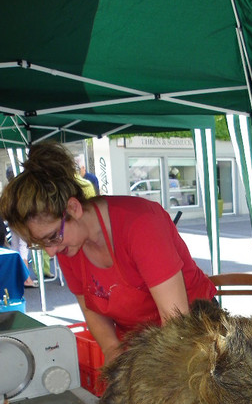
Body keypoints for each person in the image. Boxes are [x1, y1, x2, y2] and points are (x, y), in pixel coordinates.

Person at [0, 142, 216, 364]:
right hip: (139, 339)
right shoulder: (67, 244)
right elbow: (91, 310)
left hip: (194, 331)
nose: (51, 252)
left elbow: (176, 323)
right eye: (40, 244)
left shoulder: (141, 225)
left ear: (73, 208)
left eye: (52, 237)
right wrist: (113, 353)